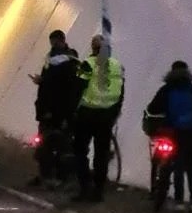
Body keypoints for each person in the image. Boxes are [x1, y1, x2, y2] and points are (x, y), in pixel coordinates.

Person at [145, 61, 192, 211]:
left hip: (173, 133)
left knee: (177, 166)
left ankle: (179, 201)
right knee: (191, 167)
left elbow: (152, 108)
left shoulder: (166, 89)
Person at [72, 34, 124, 203]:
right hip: (106, 117)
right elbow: (121, 93)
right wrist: (114, 113)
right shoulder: (117, 66)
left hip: (87, 114)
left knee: (80, 151)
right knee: (101, 154)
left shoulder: (88, 64)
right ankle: (98, 191)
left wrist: (73, 111)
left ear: (93, 48)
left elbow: (78, 88)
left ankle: (84, 187)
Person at [28, 30, 80, 187]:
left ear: (62, 41)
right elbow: (50, 83)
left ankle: (61, 176)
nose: (53, 45)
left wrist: (67, 114)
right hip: (48, 108)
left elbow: (68, 89)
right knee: (45, 144)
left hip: (59, 109)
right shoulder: (51, 58)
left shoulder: (68, 61)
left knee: (61, 144)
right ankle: (47, 175)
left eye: (55, 42)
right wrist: (42, 81)